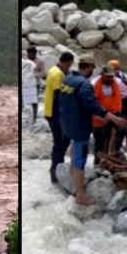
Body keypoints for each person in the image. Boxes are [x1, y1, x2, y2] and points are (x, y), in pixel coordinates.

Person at [58, 59, 127, 205]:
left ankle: (74, 185)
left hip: (67, 123)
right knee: (80, 160)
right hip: (80, 127)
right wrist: (115, 119)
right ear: (88, 67)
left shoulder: (68, 79)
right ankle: (81, 195)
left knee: (74, 157)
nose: (93, 71)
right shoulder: (84, 84)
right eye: (92, 68)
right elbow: (94, 106)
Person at [45, 52, 74, 183]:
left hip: (50, 111)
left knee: (60, 142)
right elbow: (59, 96)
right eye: (69, 65)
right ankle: (56, 171)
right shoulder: (58, 74)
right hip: (55, 113)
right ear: (68, 62)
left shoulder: (53, 69)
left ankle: (55, 168)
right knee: (60, 142)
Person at [91, 66, 127, 164]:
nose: (110, 79)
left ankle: (115, 152)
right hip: (98, 118)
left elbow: (126, 93)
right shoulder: (93, 84)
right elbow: (91, 103)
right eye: (108, 77)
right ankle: (98, 164)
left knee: (122, 127)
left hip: (114, 114)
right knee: (100, 143)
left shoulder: (117, 83)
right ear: (102, 75)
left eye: (112, 77)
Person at [21, 53, 38, 125]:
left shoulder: (28, 63)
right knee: (33, 102)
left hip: (27, 83)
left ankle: (32, 119)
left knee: (24, 102)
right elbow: (35, 71)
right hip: (30, 84)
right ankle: (34, 119)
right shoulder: (31, 63)